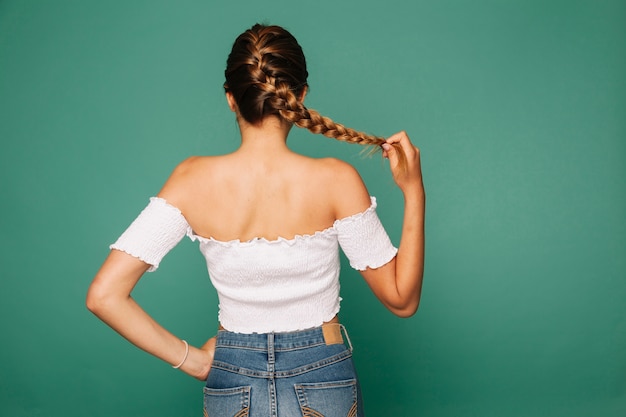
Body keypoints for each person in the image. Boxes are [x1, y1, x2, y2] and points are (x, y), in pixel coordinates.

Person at [86, 23, 425, 417]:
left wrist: (193, 360)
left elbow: (104, 295)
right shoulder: (336, 180)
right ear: (300, 97)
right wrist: (413, 191)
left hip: (231, 378)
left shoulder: (191, 180)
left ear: (231, 99)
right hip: (323, 376)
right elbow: (403, 300)